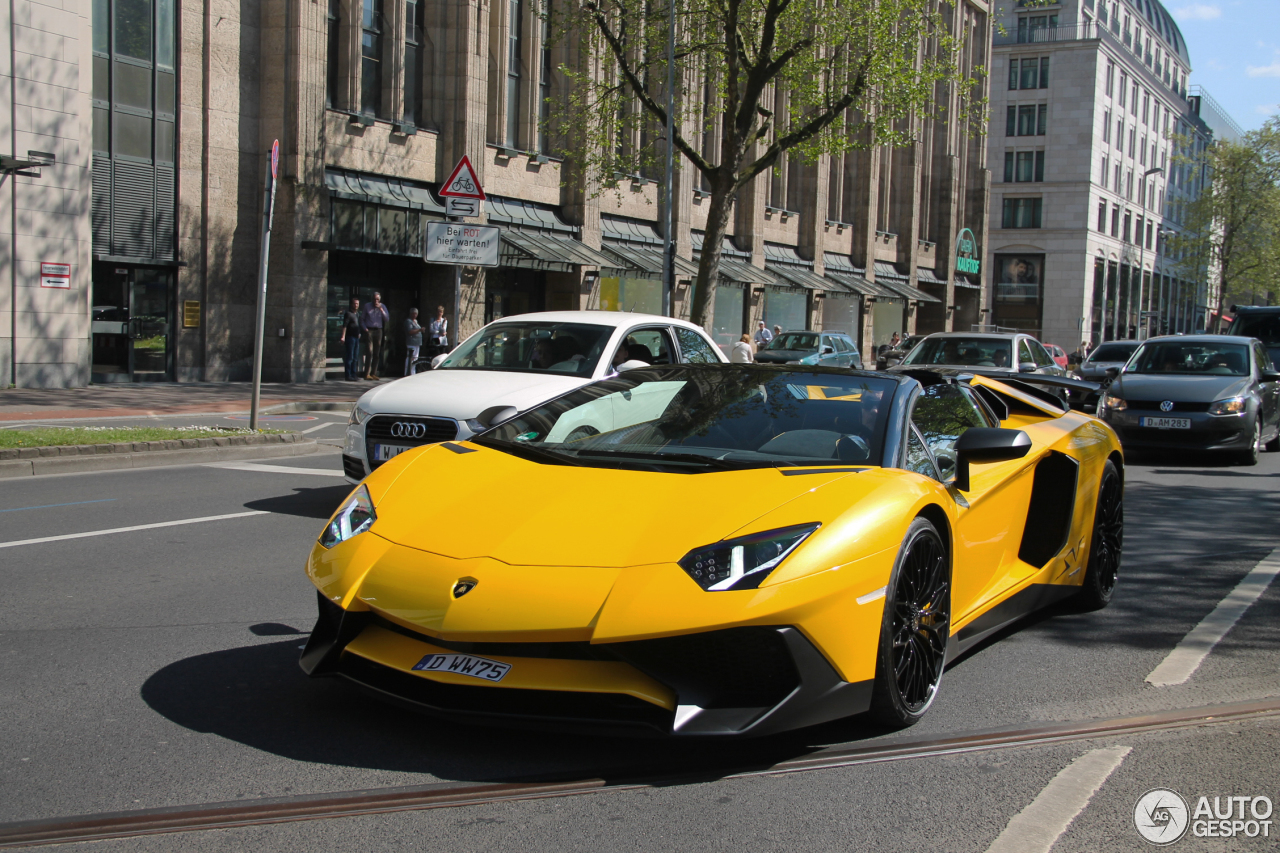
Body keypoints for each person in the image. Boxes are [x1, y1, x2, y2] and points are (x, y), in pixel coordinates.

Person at [360, 291, 389, 379]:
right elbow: (361, 319)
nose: (376, 301)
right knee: (369, 352)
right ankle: (366, 374)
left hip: (378, 331)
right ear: (372, 299)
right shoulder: (367, 306)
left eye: (377, 299)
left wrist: (381, 310)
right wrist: (365, 329)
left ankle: (373, 373)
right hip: (370, 330)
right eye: (374, 299)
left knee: (377, 353)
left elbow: (387, 319)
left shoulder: (383, 306)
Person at [338, 297, 362, 381]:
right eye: (355, 304)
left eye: (357, 304)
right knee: (350, 357)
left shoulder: (357, 314)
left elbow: (357, 325)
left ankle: (354, 374)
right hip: (350, 337)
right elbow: (345, 326)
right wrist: (343, 336)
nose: (356, 305)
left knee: (355, 357)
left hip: (356, 338)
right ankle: (348, 375)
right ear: (351, 304)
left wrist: (359, 333)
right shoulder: (348, 314)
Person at [403, 308, 423, 376]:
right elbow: (410, 331)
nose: (415, 315)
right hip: (411, 342)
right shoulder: (408, 321)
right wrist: (419, 330)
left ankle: (412, 373)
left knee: (415, 359)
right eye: (413, 313)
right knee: (410, 358)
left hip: (417, 343)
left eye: (416, 313)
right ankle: (407, 373)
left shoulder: (416, 321)